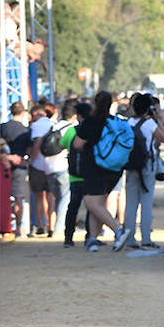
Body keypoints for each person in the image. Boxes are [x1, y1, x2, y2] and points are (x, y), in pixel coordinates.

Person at [69, 91, 133, 252]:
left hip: (95, 167)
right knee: (99, 203)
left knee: (91, 203)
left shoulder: (91, 122)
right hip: (114, 168)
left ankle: (118, 231)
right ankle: (92, 239)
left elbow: (77, 144)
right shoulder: (114, 121)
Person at [120, 93, 164, 250]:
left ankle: (130, 238)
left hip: (131, 166)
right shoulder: (149, 124)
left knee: (131, 203)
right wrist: (158, 119)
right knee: (146, 202)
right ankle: (146, 238)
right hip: (147, 165)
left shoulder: (128, 123)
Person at [29, 101, 67, 238]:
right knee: (51, 197)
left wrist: (30, 160)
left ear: (34, 114)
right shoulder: (53, 125)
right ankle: (52, 225)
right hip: (52, 165)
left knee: (39, 197)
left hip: (37, 165)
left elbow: (35, 144)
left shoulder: (34, 126)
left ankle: (40, 225)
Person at [61, 101, 92, 247]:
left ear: (78, 116)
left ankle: (68, 237)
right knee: (91, 207)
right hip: (91, 175)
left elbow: (63, 144)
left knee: (73, 206)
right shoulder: (95, 131)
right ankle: (90, 236)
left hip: (74, 175)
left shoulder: (71, 131)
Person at [1, 102, 32, 236]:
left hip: (3, 167)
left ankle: (4, 225)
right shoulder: (26, 130)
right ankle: (19, 227)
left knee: (3, 198)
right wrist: (26, 160)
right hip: (20, 167)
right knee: (19, 197)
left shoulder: (3, 128)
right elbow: (30, 149)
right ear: (23, 113)